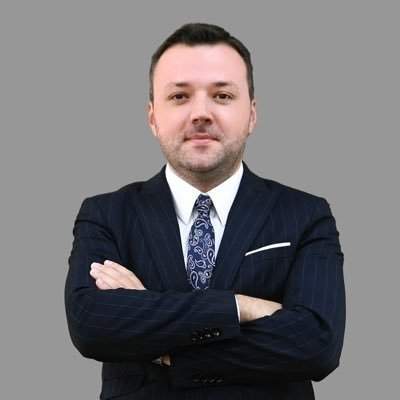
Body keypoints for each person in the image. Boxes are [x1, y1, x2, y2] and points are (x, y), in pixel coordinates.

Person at [65, 23, 345, 400]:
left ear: (252, 114)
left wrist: (162, 345)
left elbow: (317, 344)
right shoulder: (106, 215)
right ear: (153, 117)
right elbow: (91, 325)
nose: (201, 113)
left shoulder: (306, 214)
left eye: (222, 95)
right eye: (179, 96)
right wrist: (239, 306)